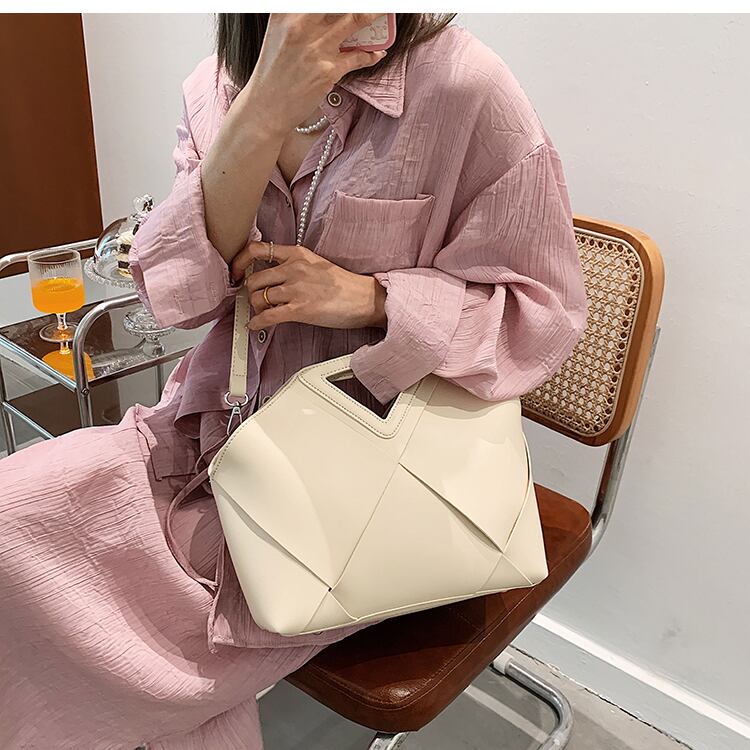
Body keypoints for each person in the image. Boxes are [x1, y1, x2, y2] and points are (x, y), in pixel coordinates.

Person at [0, 13, 588, 749]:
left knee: (139, 671)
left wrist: (372, 299)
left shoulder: (465, 90)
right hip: (207, 436)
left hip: (360, 488)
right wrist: (262, 109)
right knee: (14, 518)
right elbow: (178, 298)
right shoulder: (217, 87)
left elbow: (542, 316)